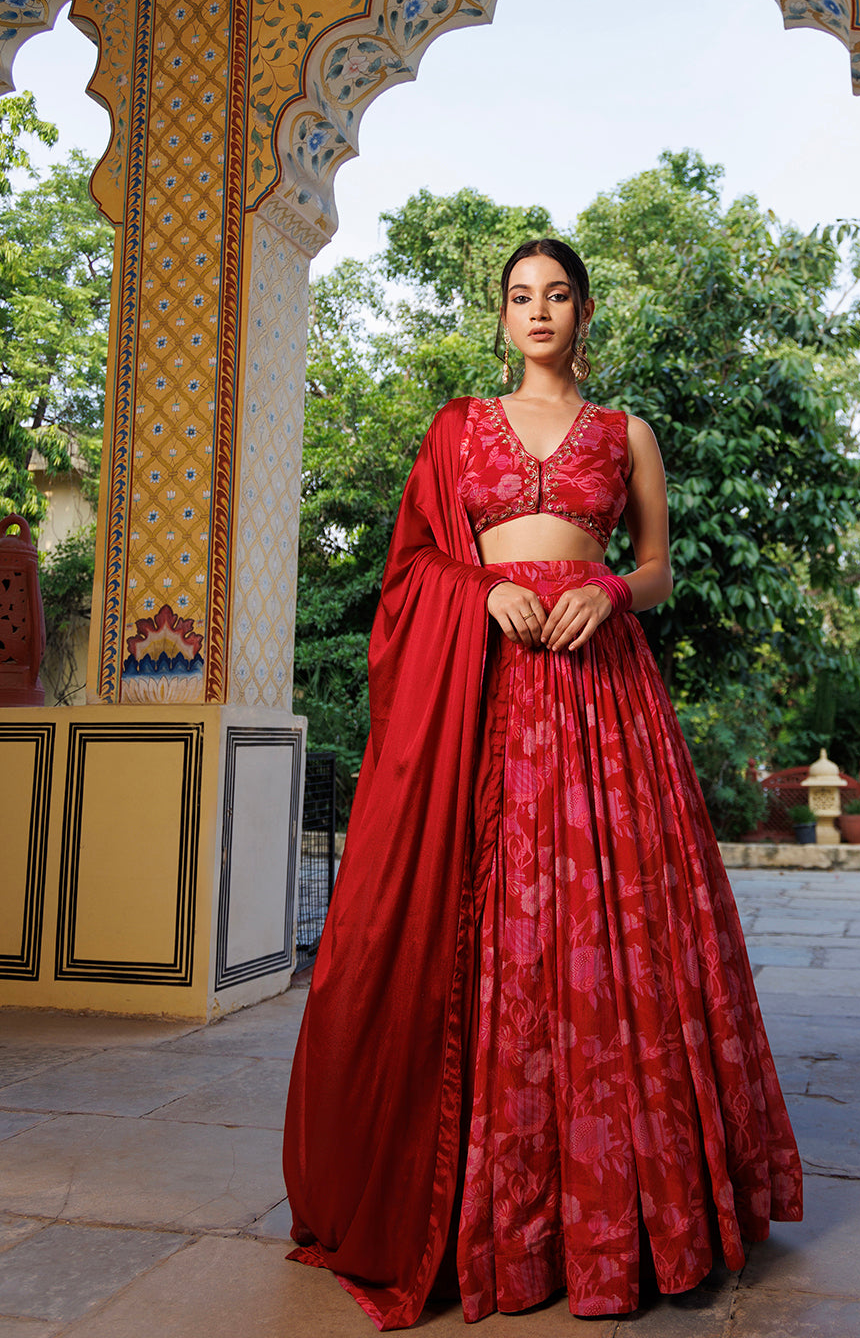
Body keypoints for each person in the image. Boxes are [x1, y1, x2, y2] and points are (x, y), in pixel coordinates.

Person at [283, 238, 802, 1330]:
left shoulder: (629, 435)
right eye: (521, 296)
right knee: (492, 935)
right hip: (483, 701)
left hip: (604, 699)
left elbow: (658, 565)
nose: (538, 311)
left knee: (617, 939)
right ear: (501, 314)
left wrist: (612, 591)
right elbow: (411, 566)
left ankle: (628, 1212)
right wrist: (475, 590)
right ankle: (497, 1215)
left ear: (586, 309)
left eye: (556, 294)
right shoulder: (457, 426)